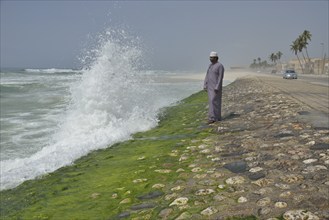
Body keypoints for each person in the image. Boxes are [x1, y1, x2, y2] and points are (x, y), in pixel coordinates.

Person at [203, 51, 225, 124]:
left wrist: (217, 86)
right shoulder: (210, 66)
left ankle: (215, 117)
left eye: (212, 57)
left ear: (216, 58)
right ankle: (213, 117)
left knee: (215, 102)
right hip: (209, 87)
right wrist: (205, 84)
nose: (211, 59)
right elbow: (207, 75)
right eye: (210, 57)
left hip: (216, 87)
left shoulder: (220, 66)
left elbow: (220, 77)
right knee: (211, 102)